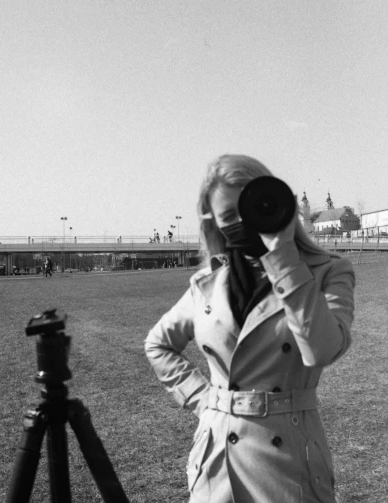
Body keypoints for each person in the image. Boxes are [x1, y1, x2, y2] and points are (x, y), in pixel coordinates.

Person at [144, 154, 355, 502]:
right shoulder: (208, 284)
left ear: (277, 201)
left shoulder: (328, 271)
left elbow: (321, 350)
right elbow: (158, 345)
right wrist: (204, 401)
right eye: (230, 216)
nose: (244, 222)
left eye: (252, 207)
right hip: (217, 466)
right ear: (215, 224)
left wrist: (283, 256)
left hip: (290, 463)